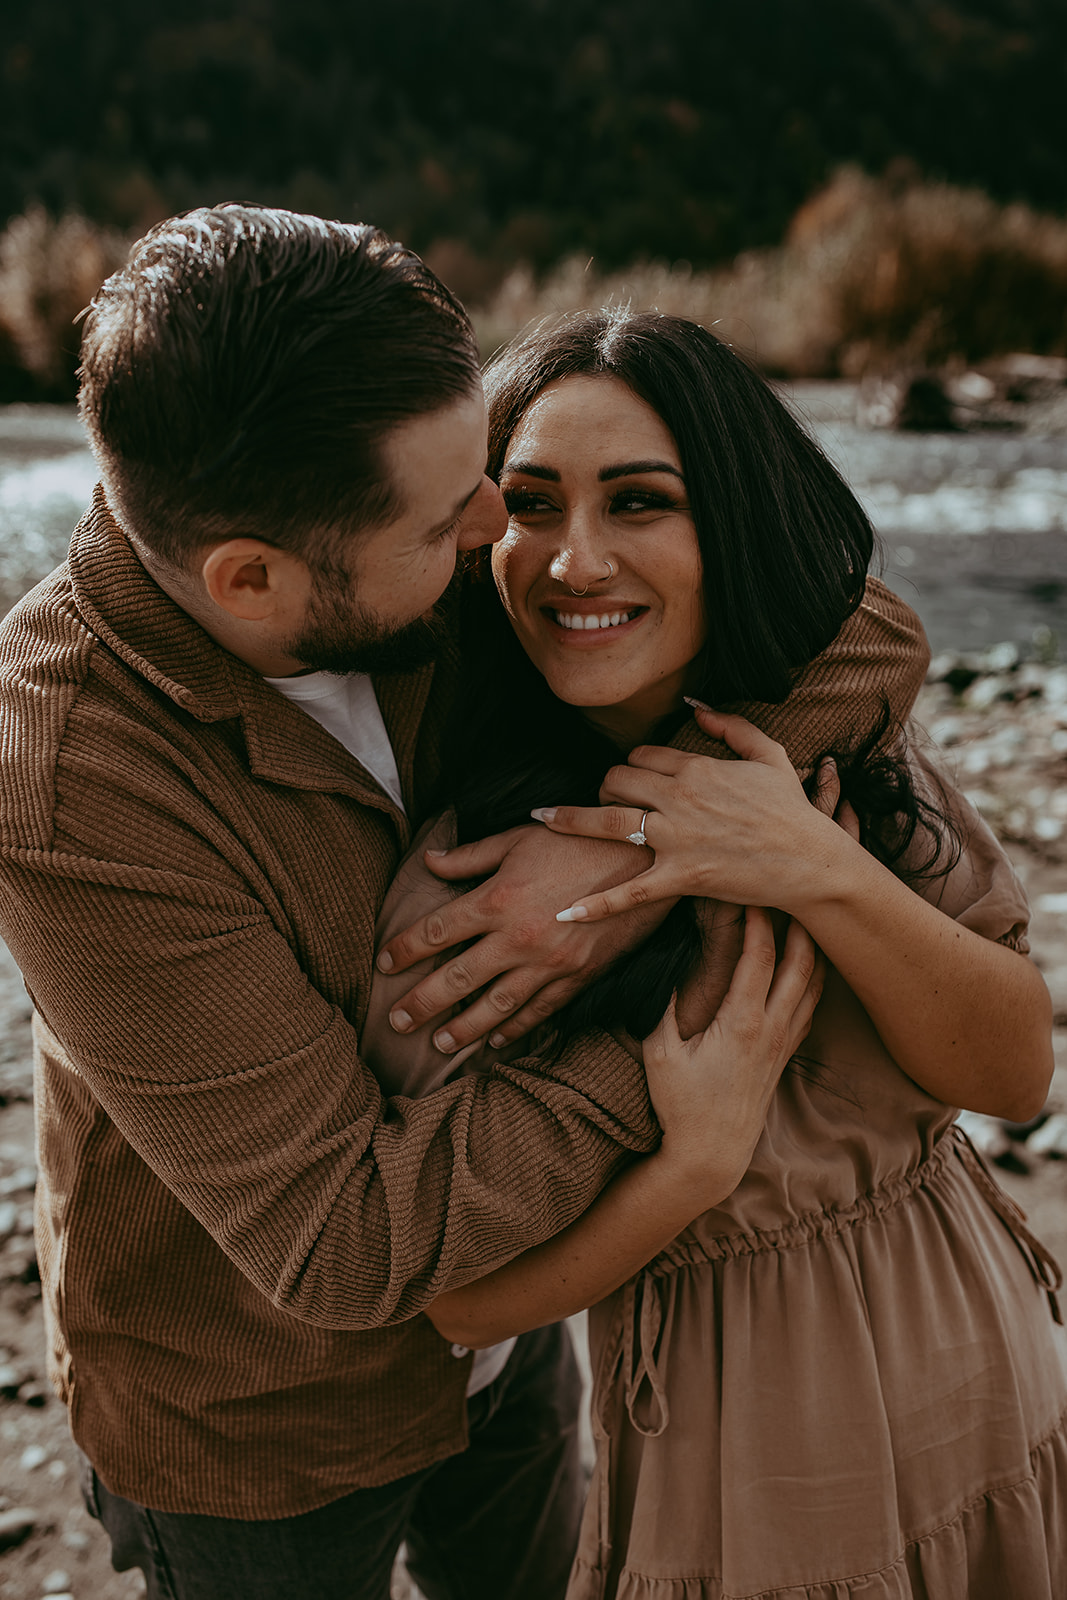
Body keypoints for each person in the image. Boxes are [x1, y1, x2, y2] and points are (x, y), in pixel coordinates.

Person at [0, 208, 926, 1600]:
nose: (512, 539)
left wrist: (634, 860)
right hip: (259, 1429)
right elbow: (338, 1241)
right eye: (458, 519)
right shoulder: (71, 784)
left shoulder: (395, 511)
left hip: (524, 1307)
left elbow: (866, 633)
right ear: (251, 578)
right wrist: (672, 1072)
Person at [397, 310, 1065, 1598]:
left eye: (641, 502)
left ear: (733, 523)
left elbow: (1013, 1071)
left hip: (973, 1351)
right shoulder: (477, 862)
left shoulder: (832, 751)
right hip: (733, 1439)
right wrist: (690, 1167)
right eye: (530, 503)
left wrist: (810, 864)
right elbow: (464, 1307)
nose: (574, 560)